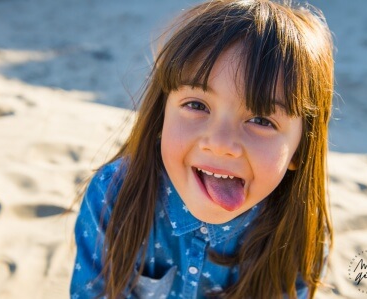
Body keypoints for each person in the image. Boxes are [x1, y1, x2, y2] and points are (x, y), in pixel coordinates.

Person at [70, 0, 334, 298]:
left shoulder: (299, 229)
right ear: (161, 115)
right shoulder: (113, 194)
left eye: (261, 120)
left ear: (300, 150)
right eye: (197, 105)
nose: (220, 144)